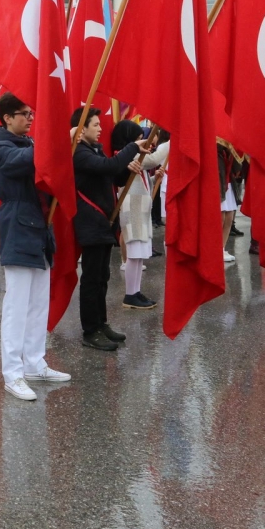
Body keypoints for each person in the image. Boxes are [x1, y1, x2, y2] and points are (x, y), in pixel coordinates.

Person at [0, 93, 70, 401]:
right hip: (19, 223)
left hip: (39, 226)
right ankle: (13, 373)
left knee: (38, 303)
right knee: (17, 306)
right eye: (24, 113)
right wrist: (57, 141)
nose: (31, 118)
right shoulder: (0, 146)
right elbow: (17, 164)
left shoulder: (30, 144)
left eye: (32, 112)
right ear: (7, 117)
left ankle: (35, 362)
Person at [72, 107, 148, 351]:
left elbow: (111, 177)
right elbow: (105, 167)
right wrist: (133, 147)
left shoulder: (95, 149)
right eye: (95, 124)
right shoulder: (78, 152)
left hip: (104, 222)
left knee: (103, 277)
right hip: (90, 221)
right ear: (82, 129)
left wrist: (127, 172)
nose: (100, 128)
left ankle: (101, 323)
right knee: (92, 279)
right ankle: (90, 330)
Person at [110, 121, 168, 310]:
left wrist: (153, 178)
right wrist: (172, 142)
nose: (142, 141)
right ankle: (130, 293)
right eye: (138, 138)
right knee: (134, 254)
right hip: (132, 207)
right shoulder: (127, 154)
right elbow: (152, 160)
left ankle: (135, 291)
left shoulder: (133, 155)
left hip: (139, 205)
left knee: (140, 254)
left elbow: (140, 181)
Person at [218, 142, 243, 262]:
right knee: (220, 218)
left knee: (229, 217)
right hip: (218, 183)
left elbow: (237, 169)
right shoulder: (216, 151)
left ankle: (221, 248)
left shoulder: (230, 150)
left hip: (228, 183)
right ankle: (215, 249)